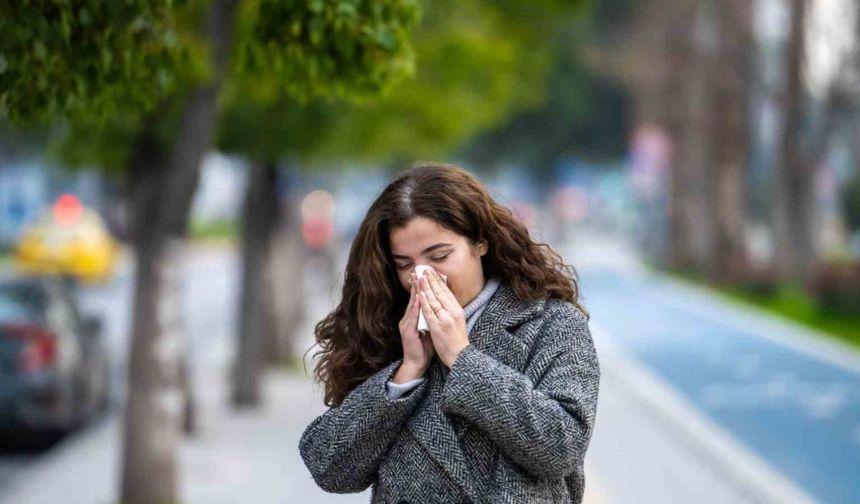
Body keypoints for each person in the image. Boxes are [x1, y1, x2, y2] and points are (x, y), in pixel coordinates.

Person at [299, 162, 600, 503]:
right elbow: (329, 468)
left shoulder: (551, 323)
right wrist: (406, 373)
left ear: (480, 242)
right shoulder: (385, 329)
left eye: (439, 255)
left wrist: (462, 358)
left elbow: (562, 447)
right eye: (404, 264)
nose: (422, 277)